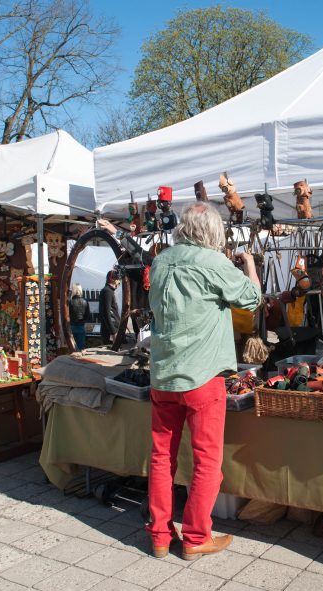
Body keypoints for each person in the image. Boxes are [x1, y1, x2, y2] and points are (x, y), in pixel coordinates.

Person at [146, 202, 261, 560]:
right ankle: (195, 536)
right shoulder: (212, 262)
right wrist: (251, 266)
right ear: (213, 232)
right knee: (207, 460)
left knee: (161, 458)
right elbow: (253, 299)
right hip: (201, 378)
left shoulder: (162, 260)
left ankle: (160, 536)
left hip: (163, 376)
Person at [98, 270, 121, 345]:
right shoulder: (107, 291)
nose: (119, 282)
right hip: (110, 333)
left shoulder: (109, 291)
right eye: (118, 279)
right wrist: (113, 332)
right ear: (111, 279)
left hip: (112, 329)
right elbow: (106, 313)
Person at [68, 283, 89, 351]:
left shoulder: (70, 301)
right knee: (81, 348)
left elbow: (67, 315)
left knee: (72, 349)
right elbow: (87, 315)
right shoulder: (85, 301)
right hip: (81, 326)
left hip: (72, 326)